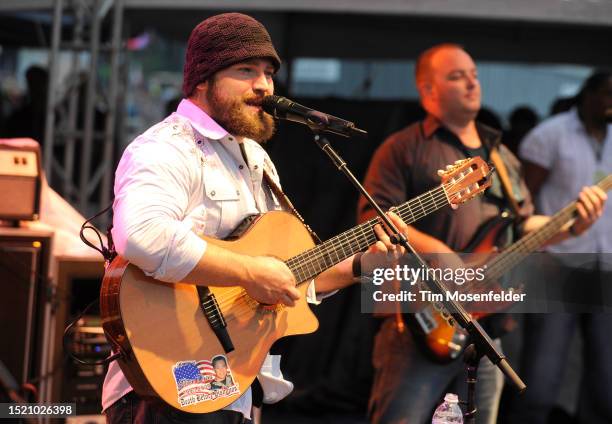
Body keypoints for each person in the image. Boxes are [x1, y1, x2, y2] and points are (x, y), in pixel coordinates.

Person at [102, 12, 408, 424]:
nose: (264, 85)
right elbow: (140, 235)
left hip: (234, 388)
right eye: (246, 70)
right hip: (168, 386)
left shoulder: (256, 158)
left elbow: (285, 276)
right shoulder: (165, 148)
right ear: (201, 80)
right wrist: (249, 272)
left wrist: (360, 265)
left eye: (269, 73)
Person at [358, 43, 607, 424]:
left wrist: (574, 225)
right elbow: (372, 222)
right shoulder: (403, 149)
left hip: (485, 331)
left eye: (473, 74)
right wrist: (445, 256)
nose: (472, 83)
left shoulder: (502, 157)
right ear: (428, 90)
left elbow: (524, 227)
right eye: (457, 76)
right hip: (418, 322)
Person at [507, 70, 612, 424]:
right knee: (541, 379)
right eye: (608, 94)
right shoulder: (549, 135)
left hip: (604, 263)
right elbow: (523, 204)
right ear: (589, 94)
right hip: (557, 265)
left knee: (606, 381)